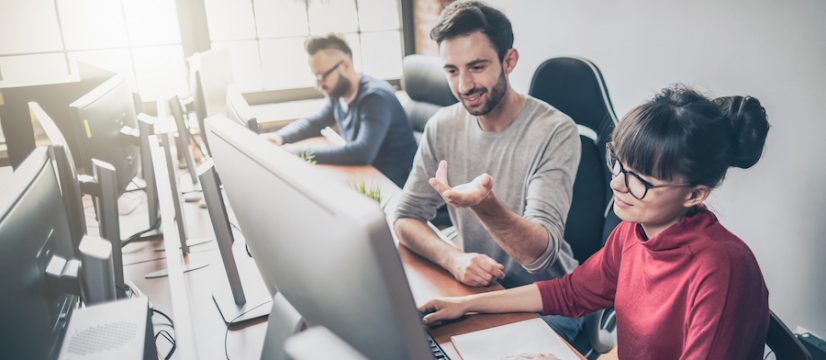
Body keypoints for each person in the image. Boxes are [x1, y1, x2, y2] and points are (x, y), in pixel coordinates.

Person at [419, 86, 772, 359]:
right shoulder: (632, 234)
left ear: (696, 195)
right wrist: (465, 306)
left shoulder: (723, 269)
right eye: (618, 163)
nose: (616, 183)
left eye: (641, 179)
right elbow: (570, 292)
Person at [391, 1, 583, 341]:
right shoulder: (443, 126)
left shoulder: (555, 131)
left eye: (477, 67)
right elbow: (405, 217)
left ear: (509, 61)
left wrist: (484, 204)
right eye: (451, 70)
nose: (464, 85)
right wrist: (453, 259)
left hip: (548, 303)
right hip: (478, 294)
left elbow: (539, 256)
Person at [268, 34, 417, 187]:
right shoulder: (339, 93)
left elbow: (362, 153)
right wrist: (279, 137)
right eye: (315, 77)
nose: (318, 85)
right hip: (368, 176)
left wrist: (299, 154)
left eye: (322, 76)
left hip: (395, 186)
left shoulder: (375, 98)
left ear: (345, 65)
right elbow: (314, 123)